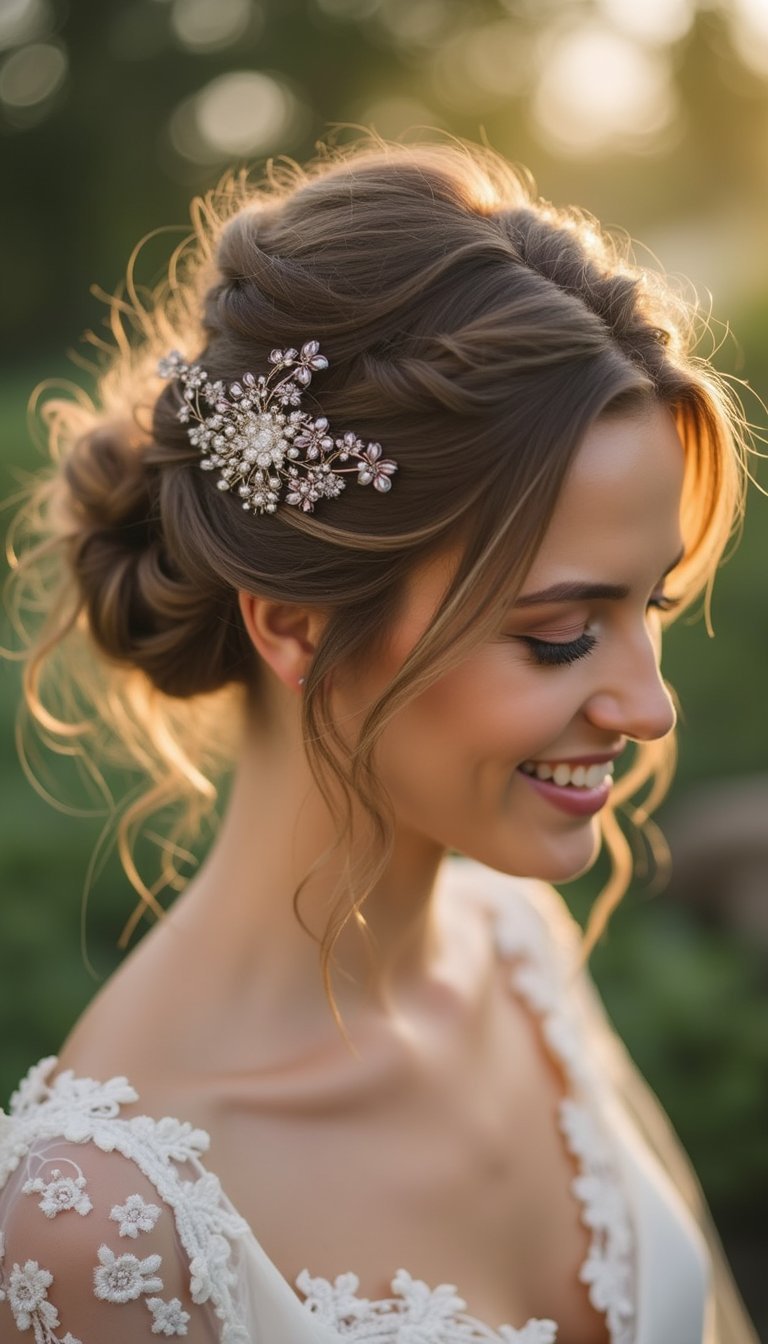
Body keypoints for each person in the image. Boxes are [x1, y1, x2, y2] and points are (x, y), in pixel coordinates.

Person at [0, 137, 759, 1344]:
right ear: (295, 624)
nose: (649, 706)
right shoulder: (104, 1231)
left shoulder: (515, 944)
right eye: (562, 635)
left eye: (649, 606)